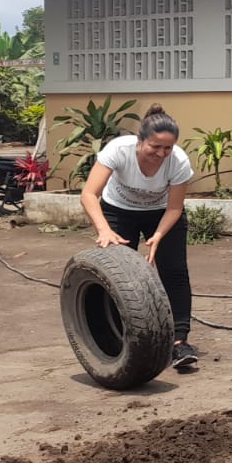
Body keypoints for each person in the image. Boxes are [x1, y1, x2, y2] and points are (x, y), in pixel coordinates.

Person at [79, 103, 199, 369]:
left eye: (167, 148)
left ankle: (179, 343)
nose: (161, 153)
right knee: (115, 275)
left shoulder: (178, 161)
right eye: (155, 146)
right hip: (118, 211)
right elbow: (88, 194)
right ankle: (114, 339)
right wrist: (104, 230)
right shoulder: (118, 150)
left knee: (175, 272)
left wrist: (158, 236)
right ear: (140, 140)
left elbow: (175, 208)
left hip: (162, 213)